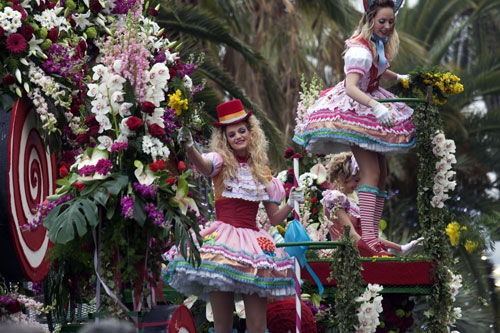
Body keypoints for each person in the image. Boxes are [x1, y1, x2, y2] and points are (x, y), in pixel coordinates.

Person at [163, 99, 304, 333]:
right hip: (223, 241)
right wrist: (190, 148)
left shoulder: (263, 172)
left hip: (254, 245)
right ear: (224, 139)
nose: (238, 136)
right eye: (232, 134)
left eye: (242, 130)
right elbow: (205, 165)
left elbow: (275, 218)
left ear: (251, 133)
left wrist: (290, 203)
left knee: (258, 325)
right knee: (222, 325)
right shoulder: (221, 162)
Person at [294, 0, 415, 252]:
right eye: (382, 21)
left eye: (391, 21)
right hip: (356, 107)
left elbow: (378, 70)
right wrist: (376, 106)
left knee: (381, 175)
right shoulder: (359, 50)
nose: (387, 26)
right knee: (370, 173)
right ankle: (369, 237)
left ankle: (373, 234)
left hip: (369, 103)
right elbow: (351, 87)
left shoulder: (377, 46)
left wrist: (398, 78)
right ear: (371, 19)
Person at [321, 152, 423, 256]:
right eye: (356, 180)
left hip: (356, 252)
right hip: (344, 257)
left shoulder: (348, 202)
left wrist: (401, 247)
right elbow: (352, 235)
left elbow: (367, 238)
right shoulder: (334, 198)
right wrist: (375, 253)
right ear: (342, 177)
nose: (357, 185)